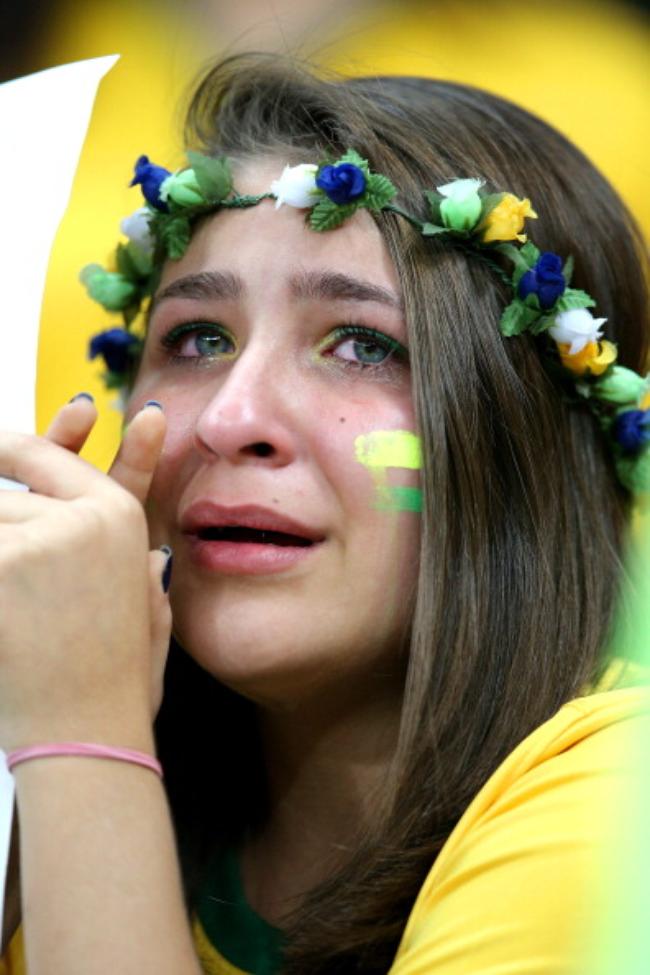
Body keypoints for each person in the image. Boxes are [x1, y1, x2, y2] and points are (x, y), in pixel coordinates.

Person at [1, 53, 649, 975]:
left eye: (360, 345)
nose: (231, 418)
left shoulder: (621, 811)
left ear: (530, 443)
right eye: (199, 338)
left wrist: (80, 738)